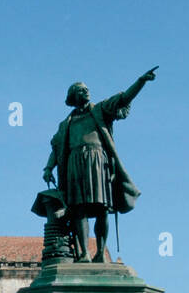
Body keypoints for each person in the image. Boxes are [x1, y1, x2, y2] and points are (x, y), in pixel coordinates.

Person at [43, 68, 157, 264]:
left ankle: (100, 252)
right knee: (78, 210)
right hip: (74, 166)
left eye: (86, 89)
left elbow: (122, 99)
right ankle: (84, 253)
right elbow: (56, 148)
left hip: (97, 163)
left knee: (102, 208)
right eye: (80, 90)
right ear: (72, 96)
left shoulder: (100, 110)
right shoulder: (66, 124)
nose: (86, 91)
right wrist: (48, 168)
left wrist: (140, 82)